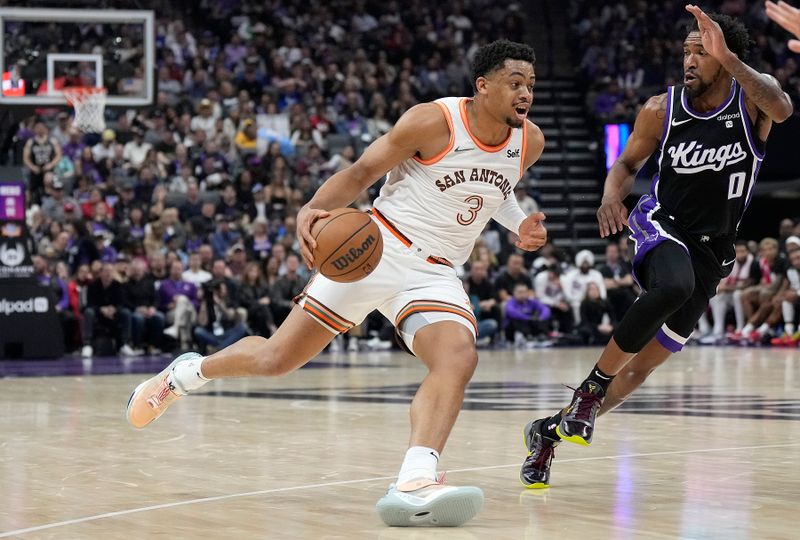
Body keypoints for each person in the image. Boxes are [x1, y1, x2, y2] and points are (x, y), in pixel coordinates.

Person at [127, 40, 547, 527]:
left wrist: (519, 226)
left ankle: (415, 479)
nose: (526, 94)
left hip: (435, 271)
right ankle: (187, 375)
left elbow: (494, 189)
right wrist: (312, 207)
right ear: (483, 86)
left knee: (458, 357)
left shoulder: (529, 142)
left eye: (531, 86)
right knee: (275, 360)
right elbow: (363, 171)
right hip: (375, 250)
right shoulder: (433, 122)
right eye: (515, 83)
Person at [519, 7, 792, 490]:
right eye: (685, 50)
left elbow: (784, 107)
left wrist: (728, 60)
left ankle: (548, 434)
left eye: (700, 51)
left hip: (715, 250)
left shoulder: (752, 100)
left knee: (640, 371)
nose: (689, 60)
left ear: (725, 56)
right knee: (672, 285)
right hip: (662, 224)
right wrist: (609, 195)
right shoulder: (660, 108)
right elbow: (625, 164)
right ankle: (590, 389)